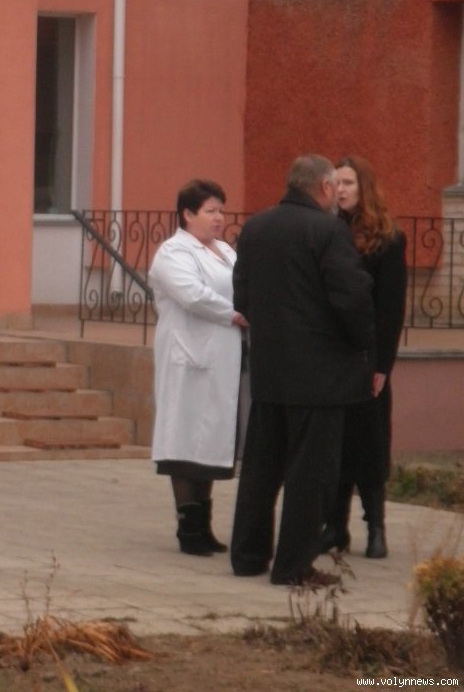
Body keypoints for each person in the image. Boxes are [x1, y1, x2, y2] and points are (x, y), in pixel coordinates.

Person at [229, 154, 376, 586]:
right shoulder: (328, 231)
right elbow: (351, 298)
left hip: (269, 371)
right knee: (311, 474)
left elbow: (242, 295)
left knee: (260, 468)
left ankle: (247, 555)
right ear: (325, 188)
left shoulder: (256, 227)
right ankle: (293, 566)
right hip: (320, 379)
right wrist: (362, 343)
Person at [149, 179, 249, 556]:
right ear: (187, 215)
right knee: (184, 437)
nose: (219, 218)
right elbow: (192, 295)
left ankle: (204, 525)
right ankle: (187, 527)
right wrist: (234, 314)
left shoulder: (225, 251)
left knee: (210, 442)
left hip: (222, 358)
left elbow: (243, 284)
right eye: (210, 211)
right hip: (187, 359)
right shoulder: (172, 253)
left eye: (221, 210)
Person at [319, 155, 408, 559]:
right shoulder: (326, 230)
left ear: (364, 187)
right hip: (332, 353)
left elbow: (391, 309)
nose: (340, 190)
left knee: (370, 443)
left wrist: (381, 366)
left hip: (368, 354)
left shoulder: (387, 238)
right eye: (336, 183)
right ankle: (334, 527)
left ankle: (376, 528)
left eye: (348, 183)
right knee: (335, 443)